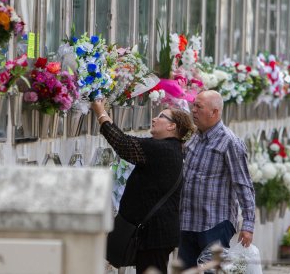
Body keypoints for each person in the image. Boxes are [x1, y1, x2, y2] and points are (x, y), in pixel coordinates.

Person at [91, 99, 195, 274]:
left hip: (155, 235)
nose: (154, 118)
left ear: (172, 127)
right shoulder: (169, 148)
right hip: (156, 234)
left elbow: (123, 144)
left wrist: (101, 113)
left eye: (161, 116)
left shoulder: (163, 149)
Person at [178, 90, 255, 269]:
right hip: (188, 221)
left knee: (212, 272)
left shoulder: (230, 142)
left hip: (215, 224)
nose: (193, 110)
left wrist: (248, 225)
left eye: (199, 106)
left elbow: (243, 185)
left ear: (215, 112)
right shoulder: (194, 137)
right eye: (193, 105)